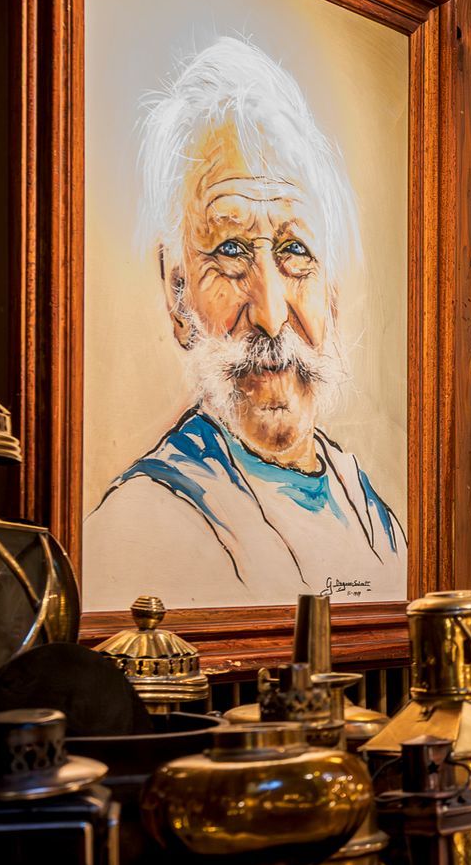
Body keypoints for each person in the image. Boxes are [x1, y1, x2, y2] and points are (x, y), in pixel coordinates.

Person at [83, 36, 406, 607]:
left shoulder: (371, 513)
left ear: (331, 292)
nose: (272, 313)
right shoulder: (147, 519)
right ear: (177, 292)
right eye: (231, 250)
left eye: (296, 251)